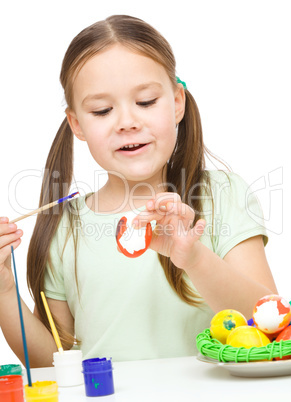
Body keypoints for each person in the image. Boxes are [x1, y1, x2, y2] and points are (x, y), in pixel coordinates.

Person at [0, 15, 277, 367]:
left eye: (146, 101)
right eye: (102, 110)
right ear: (77, 124)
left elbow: (268, 322)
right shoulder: (63, 226)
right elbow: (52, 365)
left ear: (177, 102)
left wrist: (195, 259)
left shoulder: (222, 195)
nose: (128, 122)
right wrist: (4, 292)